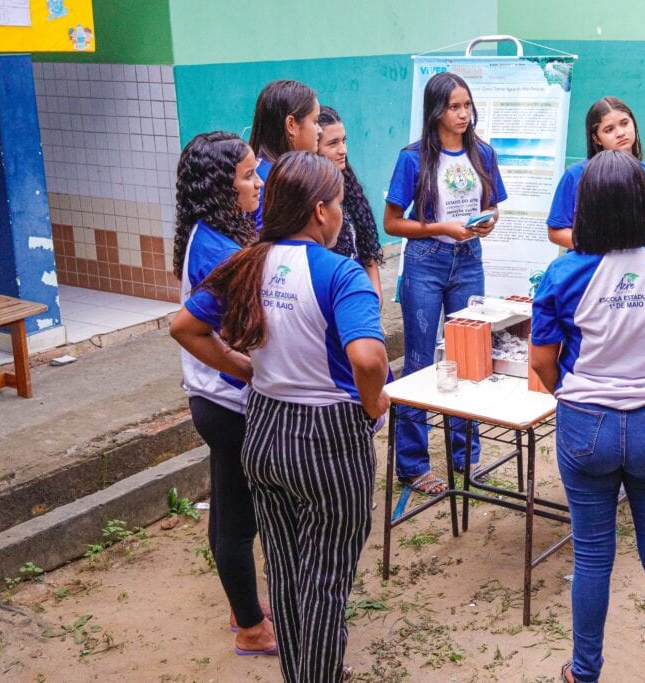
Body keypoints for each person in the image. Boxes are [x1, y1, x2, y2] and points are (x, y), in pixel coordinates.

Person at [170, 151, 390, 682]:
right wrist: (374, 403)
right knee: (326, 579)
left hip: (266, 430)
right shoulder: (340, 273)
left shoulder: (246, 263)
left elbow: (185, 327)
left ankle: (302, 671)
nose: (341, 215)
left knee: (287, 572)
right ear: (320, 210)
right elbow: (367, 358)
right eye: (339, 205)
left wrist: (245, 370)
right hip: (328, 439)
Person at [530, 150, 645, 683]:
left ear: (585, 206)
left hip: (585, 425)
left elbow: (542, 361)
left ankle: (584, 671)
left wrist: (573, 396)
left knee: (592, 556)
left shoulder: (564, 271)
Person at [171, 131, 276, 657]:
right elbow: (193, 329)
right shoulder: (218, 250)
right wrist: (246, 370)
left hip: (216, 398)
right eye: (248, 176)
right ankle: (252, 629)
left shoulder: (214, 230)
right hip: (225, 402)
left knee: (230, 510)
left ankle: (243, 608)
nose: (258, 184)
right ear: (219, 188)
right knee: (238, 520)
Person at [383, 71, 507, 495]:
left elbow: (492, 206)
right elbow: (392, 222)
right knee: (419, 360)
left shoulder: (483, 153)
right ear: (436, 110)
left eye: (467, 105)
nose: (463, 114)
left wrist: (487, 222)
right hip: (426, 262)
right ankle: (413, 464)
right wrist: (441, 227)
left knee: (469, 355)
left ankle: (465, 456)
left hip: (469, 259)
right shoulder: (413, 158)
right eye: (454, 107)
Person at [547, 97, 645, 249]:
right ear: (596, 138)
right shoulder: (575, 175)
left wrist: (631, 250)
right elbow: (556, 231)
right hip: (589, 261)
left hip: (637, 263)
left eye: (625, 123)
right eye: (609, 130)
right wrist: (601, 248)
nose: (620, 133)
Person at [317, 105, 385, 301]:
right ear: (314, 148)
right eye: (333, 143)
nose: (343, 150)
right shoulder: (308, 196)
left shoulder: (349, 185)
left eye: (344, 141)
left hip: (361, 294)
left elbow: (367, 248)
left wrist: (375, 295)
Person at [248, 79, 321, 227]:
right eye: (315, 121)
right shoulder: (272, 181)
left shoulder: (263, 171)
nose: (320, 130)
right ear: (291, 125)